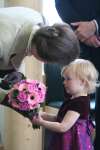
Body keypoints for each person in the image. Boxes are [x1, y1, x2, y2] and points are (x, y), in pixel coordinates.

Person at [55, 1, 100, 149]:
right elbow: (61, 3)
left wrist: (95, 25)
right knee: (72, 95)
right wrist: (83, 33)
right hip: (77, 43)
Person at [32, 58, 99, 150]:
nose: (64, 82)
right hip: (65, 139)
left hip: (72, 143)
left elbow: (63, 127)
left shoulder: (79, 103)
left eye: (68, 79)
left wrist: (41, 122)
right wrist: (44, 115)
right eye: (64, 79)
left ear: (82, 82)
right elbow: (60, 118)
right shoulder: (74, 98)